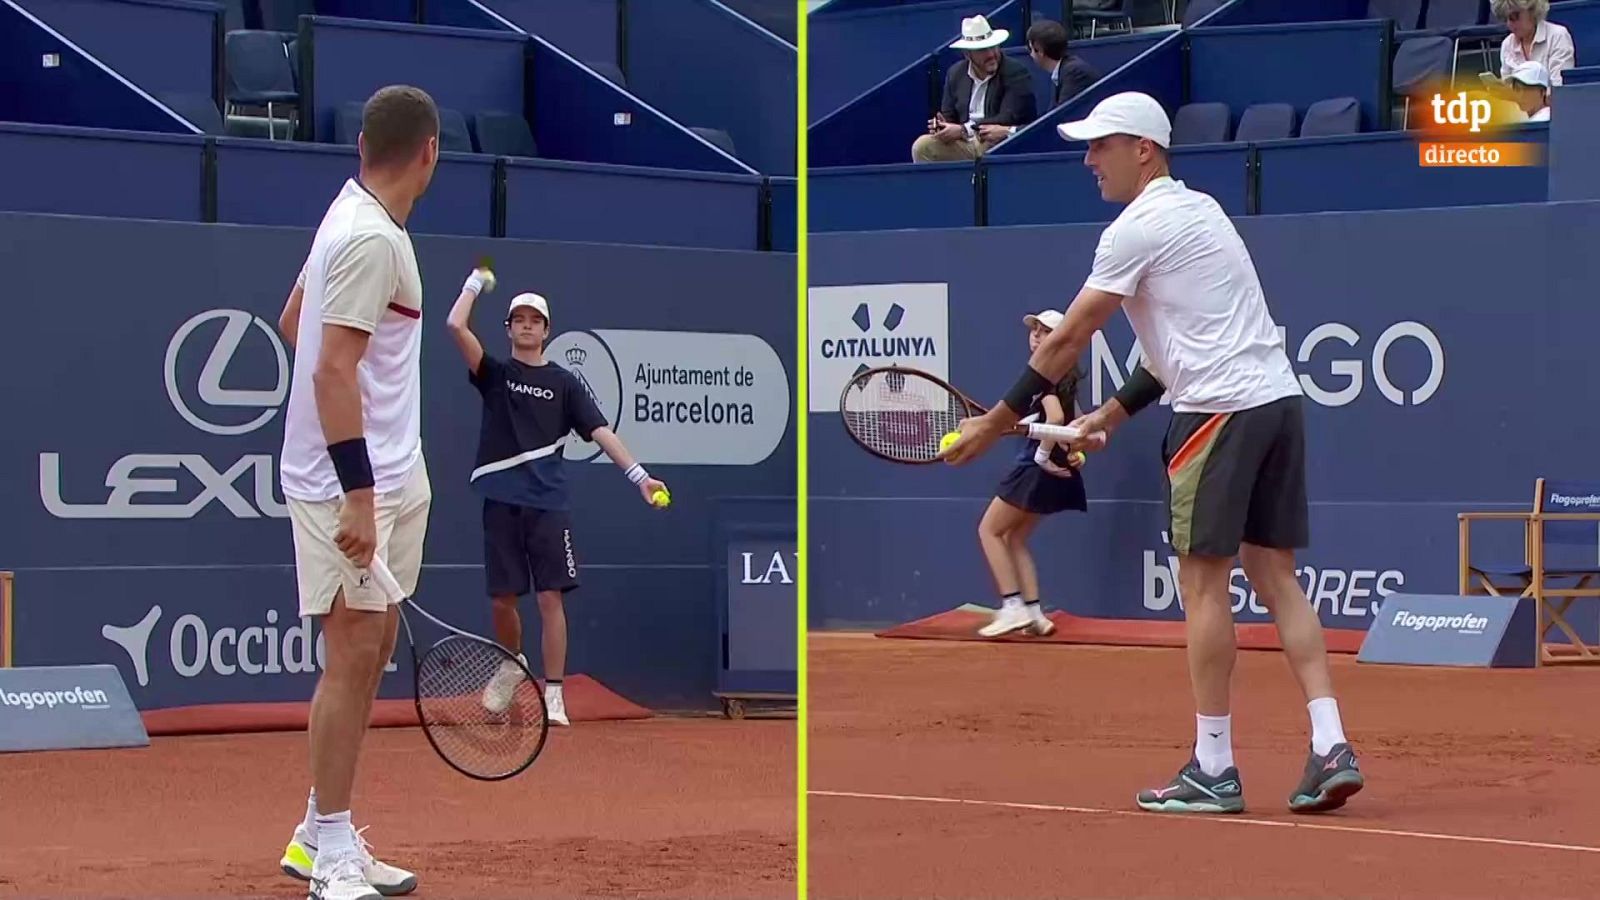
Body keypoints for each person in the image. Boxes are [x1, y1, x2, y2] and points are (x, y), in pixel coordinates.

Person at [940, 92, 1363, 816]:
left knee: (1203, 587)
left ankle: (1214, 766)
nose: (1088, 159)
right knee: (1276, 577)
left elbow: (1069, 337)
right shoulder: (1202, 212)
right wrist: (1106, 415)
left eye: (1101, 145)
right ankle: (1331, 743)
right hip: (1277, 401)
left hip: (1217, 415)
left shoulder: (1133, 230)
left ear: (1145, 149)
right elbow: (1168, 356)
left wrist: (991, 423)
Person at [273, 85, 443, 900]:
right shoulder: (370, 238)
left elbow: (294, 324)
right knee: (350, 655)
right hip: (352, 483)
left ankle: (318, 831)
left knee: (373, 649)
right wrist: (358, 492)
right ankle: (332, 851)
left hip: (389, 470)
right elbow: (330, 365)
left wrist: (380, 459)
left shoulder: (348, 219)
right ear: (430, 152)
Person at [446, 283, 667, 727]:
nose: (527, 326)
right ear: (509, 329)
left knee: (550, 598)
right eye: (519, 320)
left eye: (535, 321)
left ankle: (553, 695)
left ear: (546, 331)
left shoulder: (565, 384)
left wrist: (640, 477)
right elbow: (454, 324)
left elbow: (602, 432)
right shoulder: (495, 375)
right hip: (500, 502)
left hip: (547, 504)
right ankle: (511, 664)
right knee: (502, 602)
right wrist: (475, 281)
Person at [976, 309, 1088, 639]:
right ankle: (1035, 614)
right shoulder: (1066, 379)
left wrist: (1040, 451)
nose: (1036, 335)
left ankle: (1012, 606)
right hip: (1054, 471)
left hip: (1033, 468)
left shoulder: (1045, 379)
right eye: (1034, 330)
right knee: (1016, 538)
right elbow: (1075, 426)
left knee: (989, 531)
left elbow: (1053, 419)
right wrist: (1073, 452)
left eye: (1045, 331)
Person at [912, 14, 1037, 162]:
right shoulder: (956, 73)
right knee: (922, 146)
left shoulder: (1015, 72)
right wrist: (943, 126)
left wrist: (964, 130)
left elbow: (1008, 117)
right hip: (965, 142)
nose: (991, 54)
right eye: (982, 50)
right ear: (967, 54)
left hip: (996, 141)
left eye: (993, 47)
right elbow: (949, 115)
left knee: (991, 142)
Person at [1494, 0, 1575, 87]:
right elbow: (1507, 84)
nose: (1509, 24)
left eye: (1514, 17)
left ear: (1532, 11)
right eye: (1505, 19)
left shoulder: (1557, 36)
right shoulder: (1507, 44)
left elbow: (1559, 86)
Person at [1025, 19, 1100, 111]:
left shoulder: (1074, 72)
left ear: (1039, 50)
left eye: (1031, 49)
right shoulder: (1063, 71)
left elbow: (1060, 116)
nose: (1030, 55)